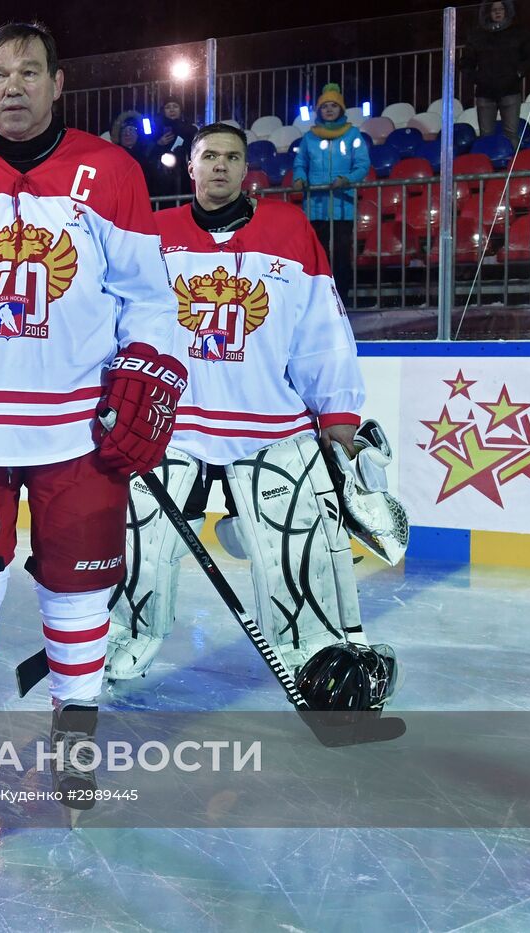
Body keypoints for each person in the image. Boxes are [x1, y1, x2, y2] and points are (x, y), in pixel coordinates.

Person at [0, 21, 184, 808]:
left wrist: (146, 366)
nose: (13, 86)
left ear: (59, 84)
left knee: (80, 592)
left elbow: (151, 299)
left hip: (78, 428)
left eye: (29, 72)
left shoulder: (112, 170)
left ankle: (74, 744)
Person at [104, 123, 400, 714]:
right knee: (134, 545)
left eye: (232, 158)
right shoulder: (153, 237)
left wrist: (338, 414)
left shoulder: (291, 231)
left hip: (270, 423)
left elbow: (323, 334)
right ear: (189, 168)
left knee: (301, 550)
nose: (220, 167)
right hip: (172, 427)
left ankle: (317, 653)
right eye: (208, 156)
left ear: (247, 170)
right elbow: (117, 322)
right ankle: (117, 643)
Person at [291, 84, 368, 308]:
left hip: (343, 206)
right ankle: (320, 303)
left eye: (334, 105)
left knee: (342, 255)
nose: (330, 109)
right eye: (325, 106)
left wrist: (348, 179)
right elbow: (300, 163)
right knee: (318, 256)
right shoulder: (309, 138)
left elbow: (362, 163)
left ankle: (342, 299)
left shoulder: (353, 134)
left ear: (341, 109)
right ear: (319, 110)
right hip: (315, 205)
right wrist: (299, 178)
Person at [460, 1, 530, 147]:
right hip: (485, 93)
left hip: (510, 90)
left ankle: (512, 166)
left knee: (511, 135)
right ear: (488, 12)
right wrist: (478, 78)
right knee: (486, 136)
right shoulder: (477, 36)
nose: (498, 12)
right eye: (494, 10)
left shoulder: (518, 33)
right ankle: (488, 166)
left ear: (507, 11)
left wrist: (517, 73)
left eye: (501, 9)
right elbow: (466, 62)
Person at [143, 96, 196, 201]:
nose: (172, 110)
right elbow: (146, 153)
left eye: (175, 106)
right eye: (168, 107)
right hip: (160, 177)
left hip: (183, 176)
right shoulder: (155, 130)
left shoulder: (190, 129)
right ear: (163, 111)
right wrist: (159, 143)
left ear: (181, 110)